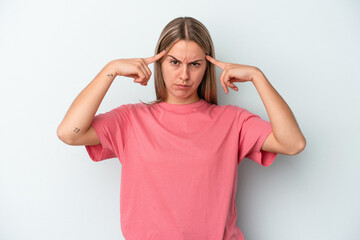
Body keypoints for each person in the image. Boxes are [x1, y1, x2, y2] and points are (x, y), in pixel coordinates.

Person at [57, 16, 306, 240]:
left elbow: (293, 143)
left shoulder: (232, 121)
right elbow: (69, 132)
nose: (184, 75)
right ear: (159, 63)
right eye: (174, 62)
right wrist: (109, 70)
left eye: (195, 64)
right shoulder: (131, 120)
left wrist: (257, 77)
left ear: (206, 67)